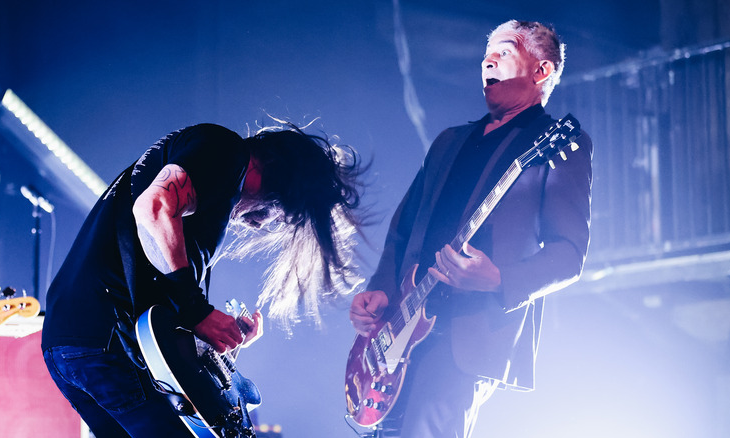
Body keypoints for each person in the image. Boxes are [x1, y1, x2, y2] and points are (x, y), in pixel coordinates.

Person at [41, 121, 365, 437]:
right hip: (106, 341)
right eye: (277, 212)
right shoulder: (225, 151)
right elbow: (152, 207)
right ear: (280, 178)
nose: (260, 224)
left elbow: (157, 308)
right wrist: (198, 311)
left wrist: (214, 345)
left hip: (70, 341)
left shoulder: (202, 182)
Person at [349, 20, 593, 437]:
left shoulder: (558, 144)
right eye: (487, 51)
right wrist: (383, 289)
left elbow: (569, 253)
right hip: (401, 324)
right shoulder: (449, 141)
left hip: (470, 333)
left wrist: (499, 279)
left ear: (542, 71)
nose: (488, 59)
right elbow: (403, 230)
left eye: (506, 49)